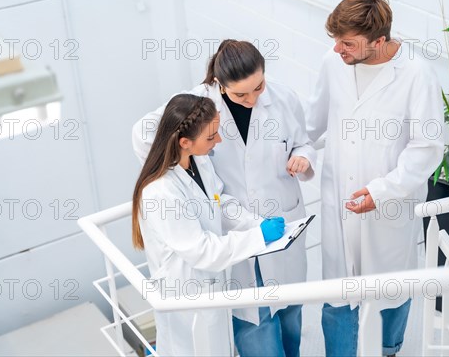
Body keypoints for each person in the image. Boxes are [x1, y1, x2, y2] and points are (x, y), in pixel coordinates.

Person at [133, 40, 316, 356]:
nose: (253, 99)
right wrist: (172, 163)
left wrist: (302, 158)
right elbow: (144, 131)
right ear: (219, 84)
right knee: (254, 330)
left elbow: (303, 142)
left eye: (259, 87)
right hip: (226, 253)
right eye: (241, 94)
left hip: (268, 223)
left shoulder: (282, 99)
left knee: (290, 323)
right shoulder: (196, 111)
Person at [304, 0, 444, 356]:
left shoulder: (416, 75)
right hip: (341, 200)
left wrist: (382, 191)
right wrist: (294, 150)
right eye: (336, 40)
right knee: (338, 291)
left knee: (391, 287)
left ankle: (387, 349)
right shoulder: (334, 63)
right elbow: (313, 122)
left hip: (389, 204)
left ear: (379, 41)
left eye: (347, 42)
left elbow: (426, 148)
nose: (338, 49)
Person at [132, 94, 286, 356]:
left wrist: (256, 223)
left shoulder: (197, 161)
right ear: (185, 142)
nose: (219, 140)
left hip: (210, 288)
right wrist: (256, 238)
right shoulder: (161, 192)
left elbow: (218, 202)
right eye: (211, 136)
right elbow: (202, 251)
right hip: (186, 296)